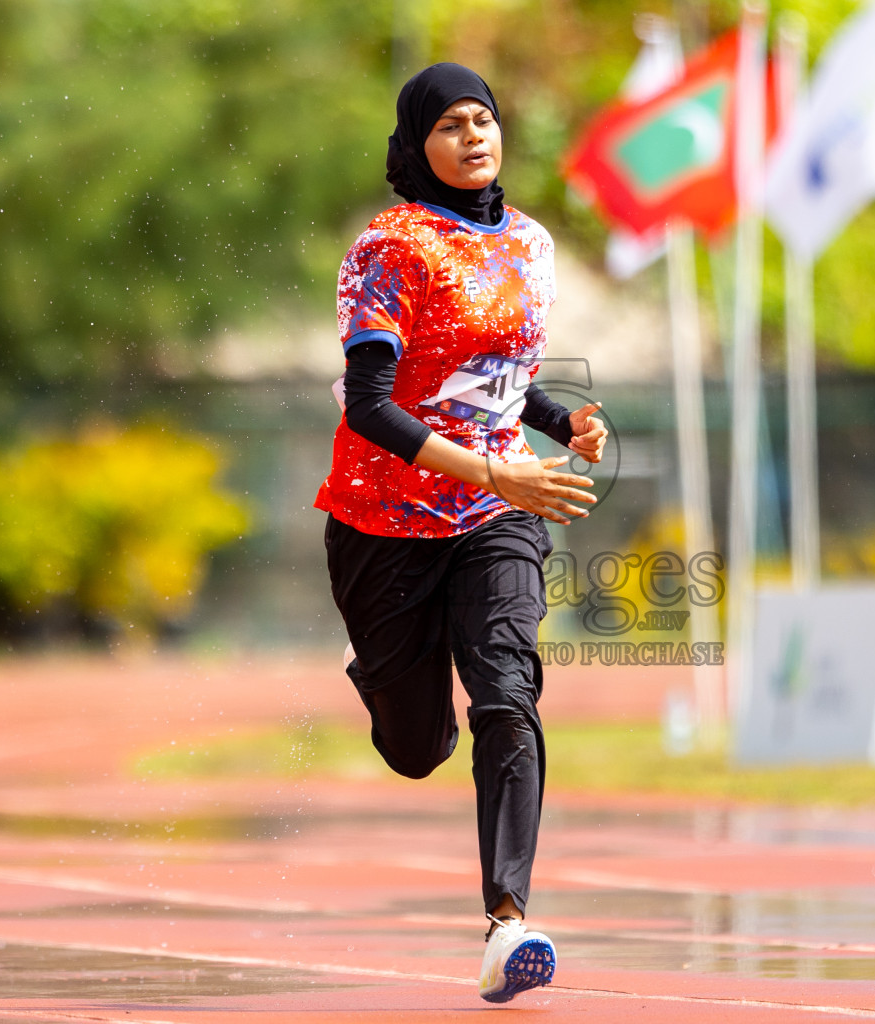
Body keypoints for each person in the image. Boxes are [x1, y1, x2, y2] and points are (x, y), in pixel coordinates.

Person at [315, 62, 608, 1003]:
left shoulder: (530, 244)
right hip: (381, 520)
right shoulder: (390, 248)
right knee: (415, 749)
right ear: (416, 147)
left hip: (495, 514)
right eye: (449, 125)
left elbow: (505, 387)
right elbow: (369, 408)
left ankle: (508, 922)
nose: (473, 137)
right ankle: (392, 675)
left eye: (484, 119)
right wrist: (491, 463)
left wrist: (562, 427)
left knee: (507, 690)